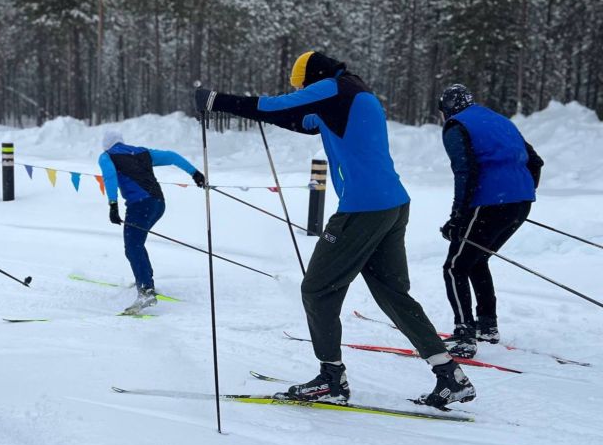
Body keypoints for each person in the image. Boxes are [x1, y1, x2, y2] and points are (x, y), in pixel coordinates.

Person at [195, 51, 475, 409]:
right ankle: (449, 375)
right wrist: (259, 114)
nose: (303, 91)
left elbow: (277, 105)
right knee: (392, 294)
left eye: (304, 85)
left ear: (313, 78)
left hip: (362, 209)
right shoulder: (356, 94)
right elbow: (302, 120)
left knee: (316, 289)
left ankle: (331, 378)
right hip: (392, 204)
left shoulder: (332, 87)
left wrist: (218, 101)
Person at [437, 84, 544, 357]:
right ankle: (487, 327)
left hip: (488, 202)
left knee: (454, 267)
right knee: (475, 259)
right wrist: (519, 192)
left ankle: (464, 335)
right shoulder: (500, 120)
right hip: (520, 203)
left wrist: (457, 217)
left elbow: (465, 171)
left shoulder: (456, 126)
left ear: (448, 109)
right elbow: (536, 161)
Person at [98, 130, 206, 313]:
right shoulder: (142, 152)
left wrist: (113, 204)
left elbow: (109, 177)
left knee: (133, 246)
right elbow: (172, 156)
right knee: (137, 244)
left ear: (106, 145)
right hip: (158, 204)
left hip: (140, 206)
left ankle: (146, 290)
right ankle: (144, 279)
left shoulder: (106, 156)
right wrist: (195, 173)